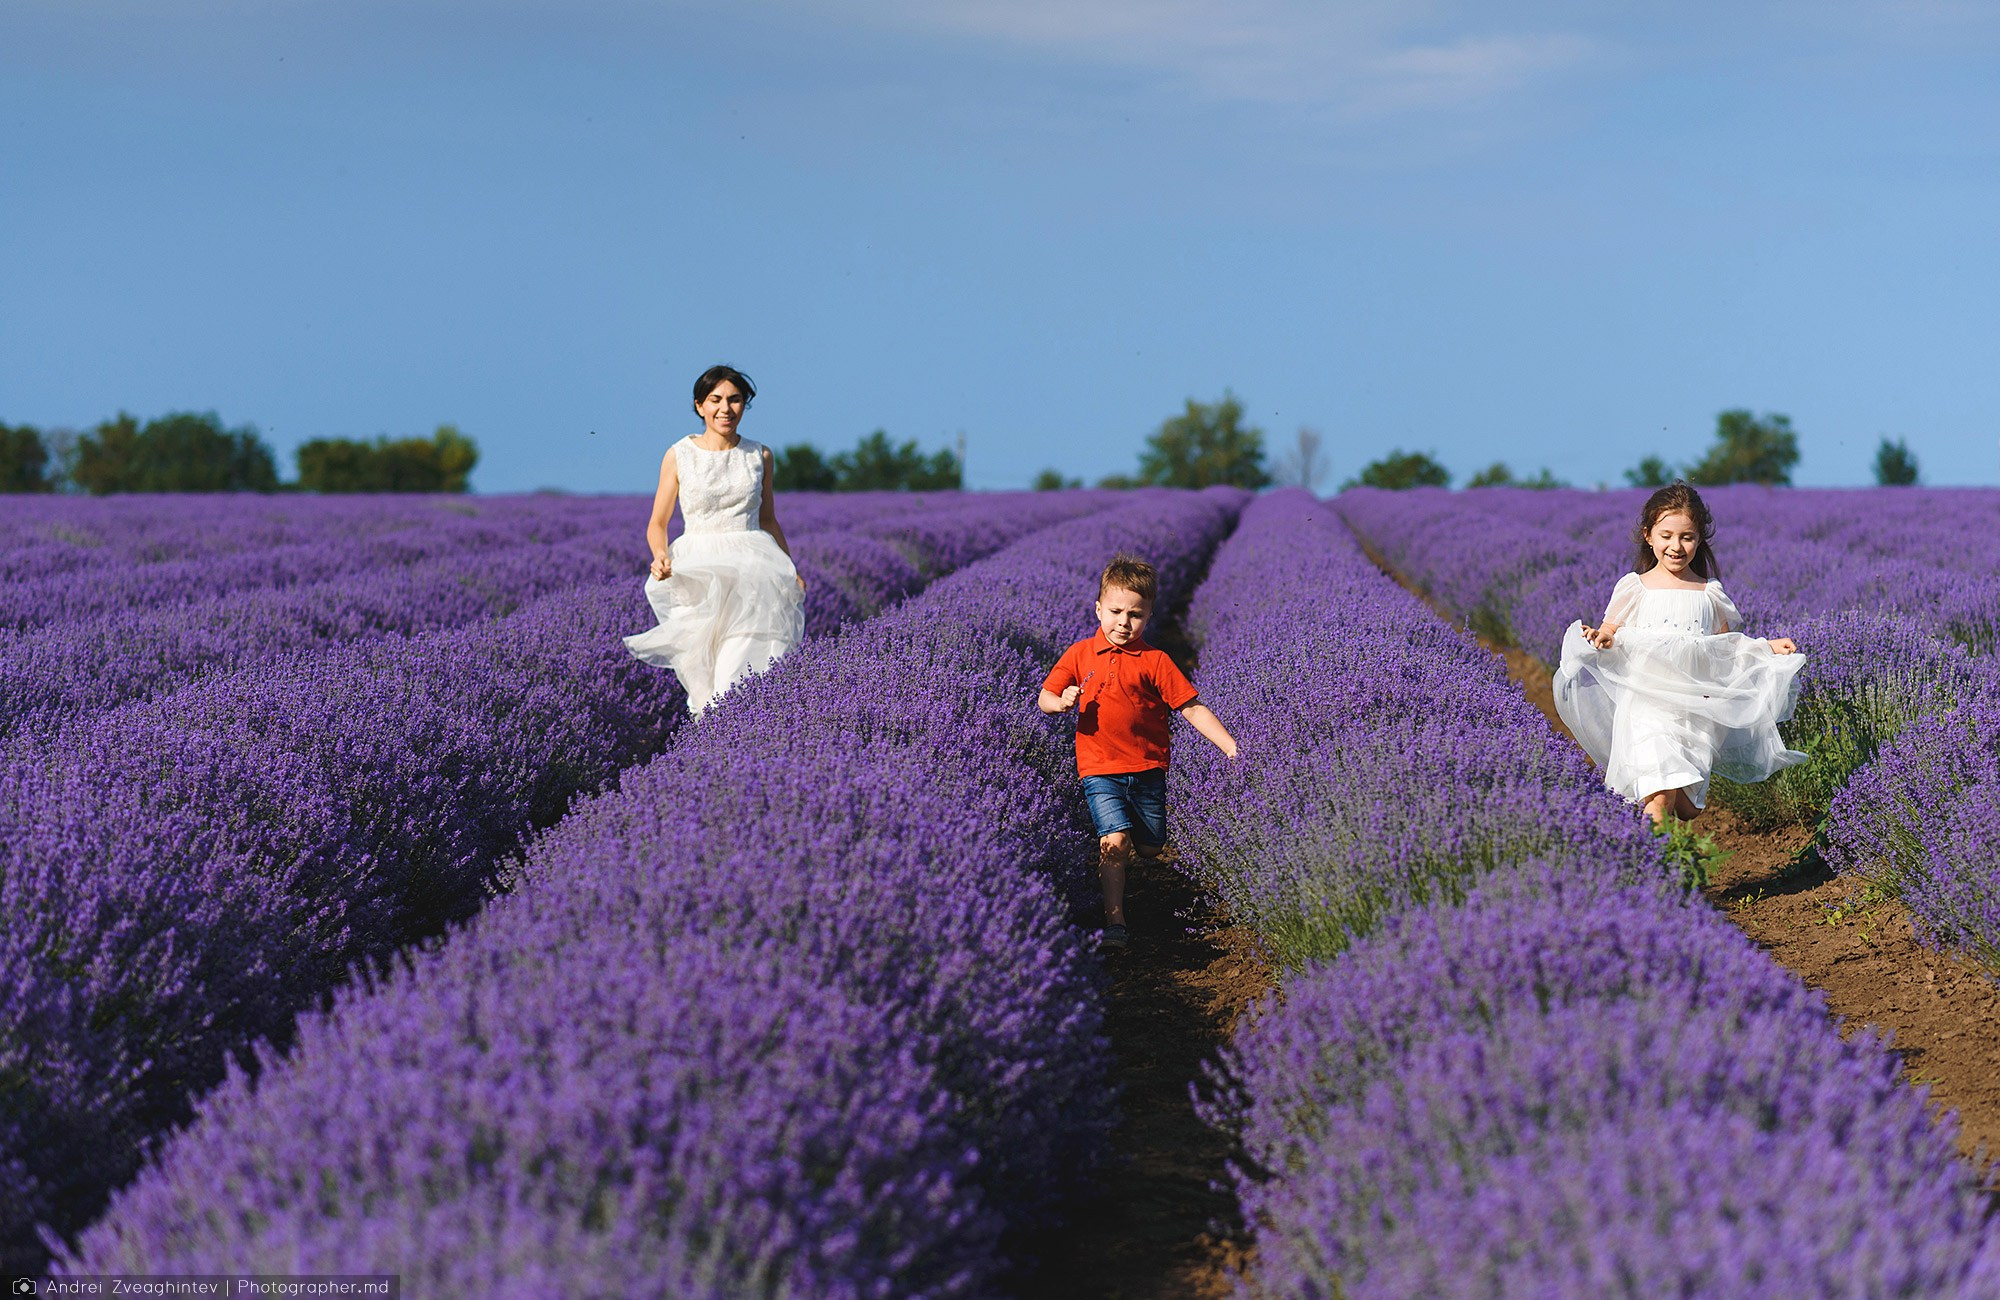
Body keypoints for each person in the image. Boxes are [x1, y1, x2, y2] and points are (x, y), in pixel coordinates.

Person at [1553, 481, 1805, 827]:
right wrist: (1601, 637)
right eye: (1666, 535)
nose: (1676, 546)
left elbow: (1723, 648)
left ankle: (1658, 853)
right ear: (1648, 535)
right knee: (1659, 797)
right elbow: (1610, 630)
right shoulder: (1635, 587)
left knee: (1686, 806)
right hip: (1646, 706)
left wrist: (1764, 647)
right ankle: (1651, 867)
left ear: (1699, 539)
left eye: (1686, 537)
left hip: (1692, 710)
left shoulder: (1709, 594)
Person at [1039, 554, 1239, 950]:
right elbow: (1045, 695)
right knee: (1115, 843)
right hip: (1099, 767)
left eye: (1135, 615)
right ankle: (1116, 922)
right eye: (1115, 612)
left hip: (1147, 768)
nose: (1123, 623)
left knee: (1150, 847)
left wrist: (1230, 746)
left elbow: (1191, 707)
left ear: (1148, 617)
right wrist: (1060, 702)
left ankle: (1134, 841)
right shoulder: (1079, 655)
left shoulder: (1156, 661)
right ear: (1098, 609)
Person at [623, 365, 806, 714]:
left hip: (754, 567)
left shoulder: (760, 456)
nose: (726, 409)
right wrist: (660, 555)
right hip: (697, 568)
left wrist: (790, 567)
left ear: (744, 405)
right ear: (699, 406)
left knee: (741, 669)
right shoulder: (679, 454)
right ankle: (713, 751)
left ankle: (745, 742)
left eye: (735, 400)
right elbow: (657, 522)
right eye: (716, 400)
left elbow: (767, 519)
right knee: (701, 677)